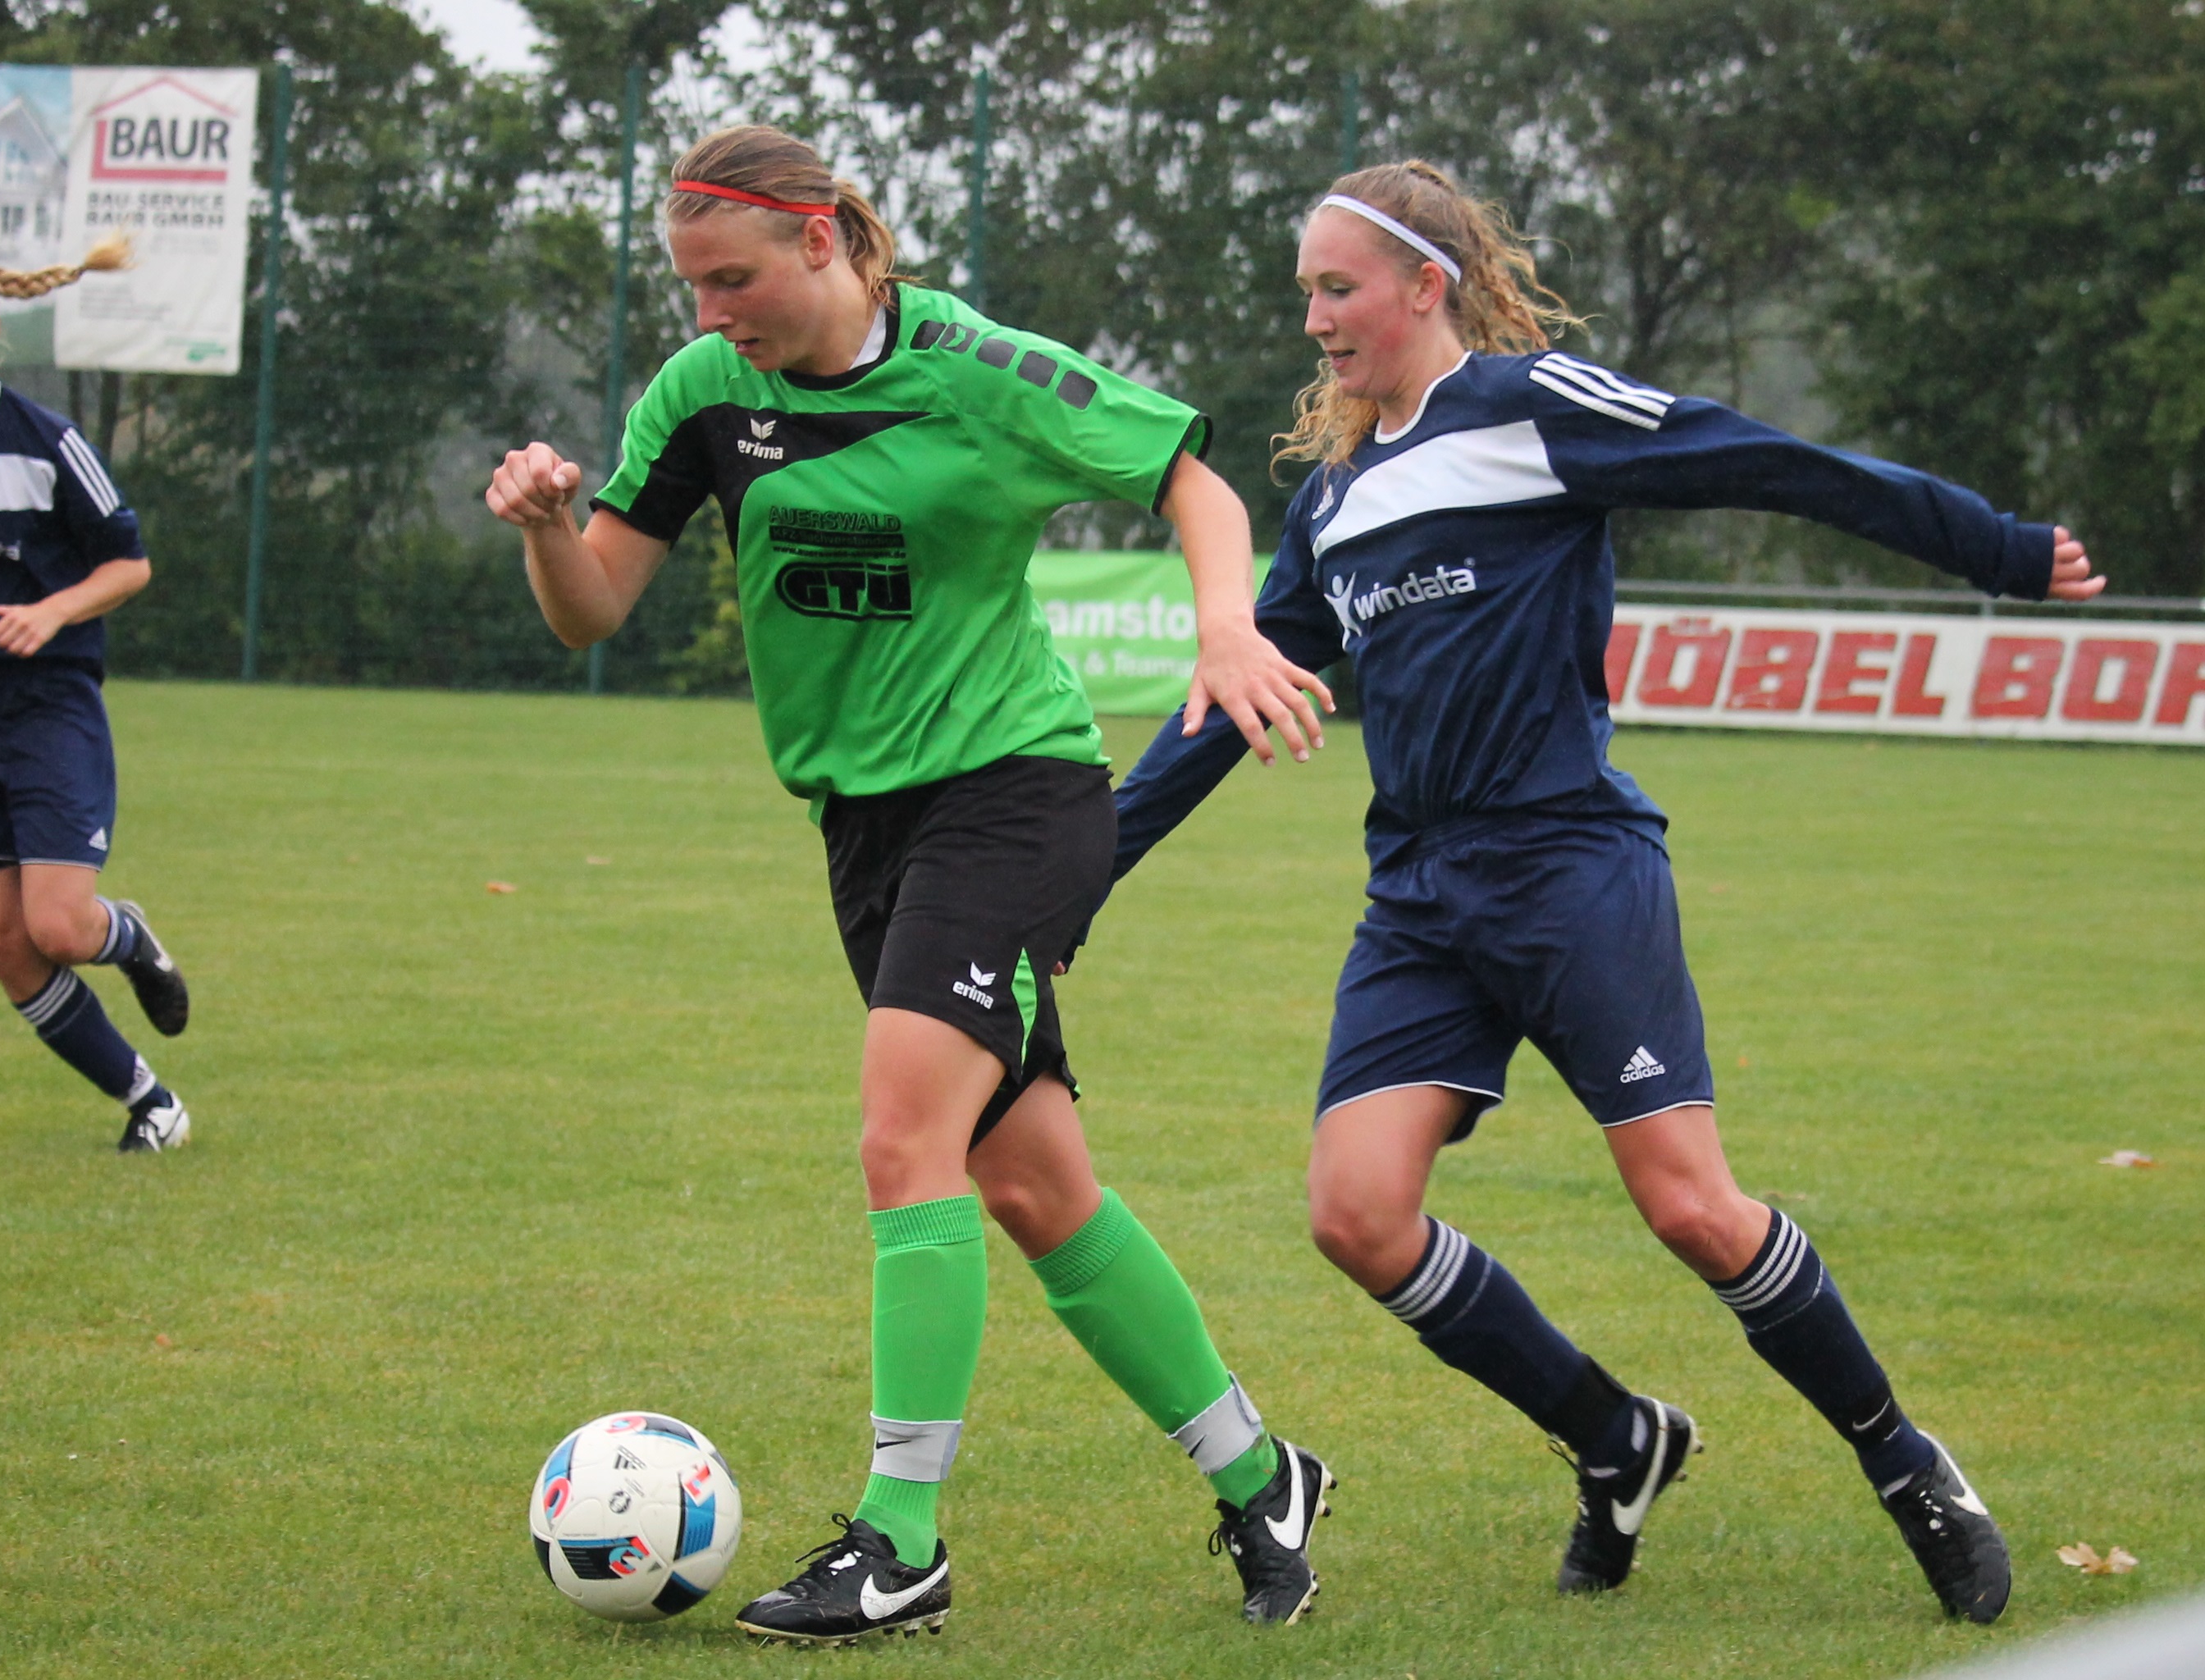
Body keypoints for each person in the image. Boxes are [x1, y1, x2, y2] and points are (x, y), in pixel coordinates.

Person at [1095, 161, 2108, 1626]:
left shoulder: (1535, 409)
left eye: (1337, 287)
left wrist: (1991, 549)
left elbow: (1763, 461)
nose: (1312, 318)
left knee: (1692, 1210)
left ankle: (1905, 1461)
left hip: (1570, 864)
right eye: (1305, 291)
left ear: (1425, 286)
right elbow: (1228, 707)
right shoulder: (1331, 502)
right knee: (1356, 1213)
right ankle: (1613, 1435)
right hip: (1419, 897)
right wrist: (1086, 869)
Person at [485, 126, 1342, 1643]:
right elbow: (591, 609)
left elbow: (1193, 484)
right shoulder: (707, 394)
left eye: (732, 279)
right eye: (690, 287)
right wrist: (551, 528)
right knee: (1032, 1186)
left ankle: (899, 1542)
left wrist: (1225, 623)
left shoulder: (974, 367)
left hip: (1014, 794)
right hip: (863, 827)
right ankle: (1263, 1478)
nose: (710, 314)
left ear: (821, 239)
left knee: (902, 1138)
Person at [0, 253, 191, 1153]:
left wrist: (52, 611)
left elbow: (128, 564)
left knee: (57, 926)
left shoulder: (45, 440)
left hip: (44, 708)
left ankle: (128, 938)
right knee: (0, 938)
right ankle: (152, 1103)